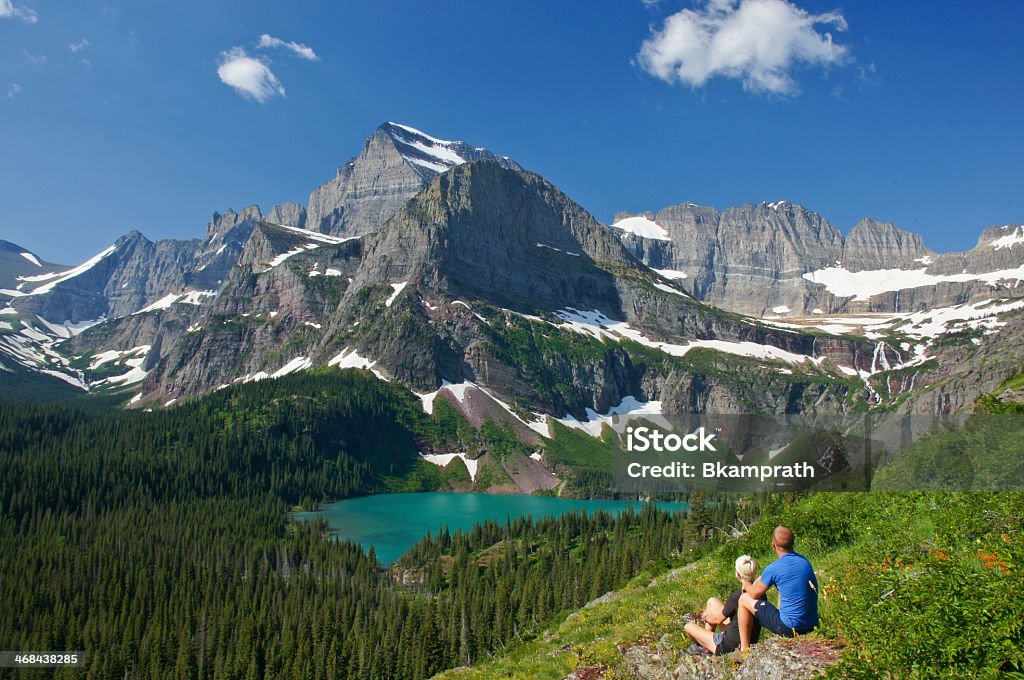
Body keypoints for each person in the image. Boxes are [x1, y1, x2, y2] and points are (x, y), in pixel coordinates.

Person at [736, 526, 818, 652]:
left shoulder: (774, 568)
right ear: (793, 543)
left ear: (773, 545)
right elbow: (770, 577)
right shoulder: (804, 562)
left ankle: (744, 649)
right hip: (811, 625)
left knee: (743, 599)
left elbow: (753, 594)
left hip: (790, 628)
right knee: (783, 589)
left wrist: (745, 581)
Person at [683, 555, 762, 656]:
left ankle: (706, 647)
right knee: (712, 602)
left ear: (738, 574)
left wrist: (704, 617)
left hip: (728, 645)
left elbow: (717, 620)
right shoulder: (760, 594)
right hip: (748, 639)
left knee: (688, 626)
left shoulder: (736, 597)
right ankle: (706, 645)